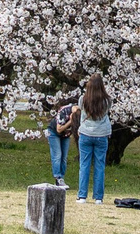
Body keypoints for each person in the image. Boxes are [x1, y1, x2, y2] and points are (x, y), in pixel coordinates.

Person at [76, 73, 113, 203]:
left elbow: (82, 113)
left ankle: (82, 196)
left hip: (86, 133)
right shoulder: (107, 100)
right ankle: (98, 198)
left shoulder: (83, 99)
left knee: (84, 165)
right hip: (101, 134)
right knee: (99, 166)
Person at [47, 94, 79, 187]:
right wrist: (70, 122)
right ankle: (57, 178)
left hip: (65, 135)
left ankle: (61, 178)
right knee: (57, 155)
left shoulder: (81, 113)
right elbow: (59, 129)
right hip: (54, 133)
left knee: (64, 157)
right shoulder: (64, 111)